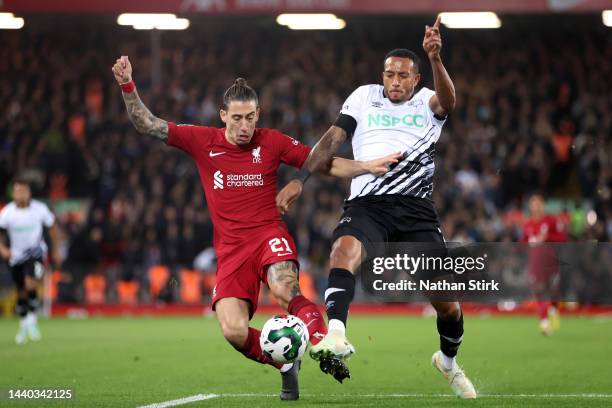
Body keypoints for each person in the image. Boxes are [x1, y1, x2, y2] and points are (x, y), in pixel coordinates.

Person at [111, 56, 399, 400]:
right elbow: (147, 123)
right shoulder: (202, 140)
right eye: (236, 118)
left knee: (283, 288)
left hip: (268, 236)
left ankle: (323, 344)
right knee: (233, 330)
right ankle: (284, 362)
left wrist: (366, 165)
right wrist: (128, 85)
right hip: (231, 250)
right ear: (223, 116)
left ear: (258, 115)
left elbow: (321, 162)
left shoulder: (272, 141)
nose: (244, 125)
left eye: (250, 117)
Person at [276, 16, 477, 398]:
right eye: (389, 75)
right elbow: (330, 142)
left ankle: (448, 362)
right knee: (343, 251)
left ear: (416, 79)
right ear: (382, 75)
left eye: (403, 76)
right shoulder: (363, 96)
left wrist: (435, 58)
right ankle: (335, 333)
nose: (395, 81)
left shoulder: (426, 101)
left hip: (416, 208)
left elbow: (449, 100)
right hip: (367, 203)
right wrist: (301, 180)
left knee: (447, 304)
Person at [0, 178, 61, 344]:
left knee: (30, 282)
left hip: (36, 253)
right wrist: (3, 249)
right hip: (15, 256)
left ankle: (33, 320)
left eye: (24, 191)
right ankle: (23, 325)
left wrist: (56, 249)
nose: (21, 194)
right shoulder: (7, 213)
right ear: (13, 193)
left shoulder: (39, 209)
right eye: (18, 191)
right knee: (20, 290)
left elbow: (53, 227)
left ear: (29, 193)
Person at [521, 193, 567, 336]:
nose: (536, 207)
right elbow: (523, 242)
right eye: (533, 204)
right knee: (538, 290)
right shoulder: (528, 224)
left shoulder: (551, 221)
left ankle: (553, 309)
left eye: (538, 203)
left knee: (553, 291)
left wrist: (547, 237)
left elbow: (562, 238)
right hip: (535, 263)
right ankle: (544, 323)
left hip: (551, 261)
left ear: (543, 205)